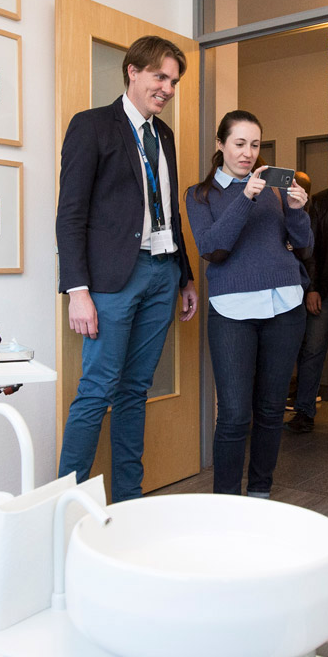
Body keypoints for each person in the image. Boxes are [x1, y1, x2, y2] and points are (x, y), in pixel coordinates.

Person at [56, 36, 199, 501]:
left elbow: (170, 211)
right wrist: (77, 290)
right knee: (97, 390)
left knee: (135, 389)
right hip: (113, 279)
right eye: (160, 77)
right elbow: (70, 214)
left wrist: (185, 275)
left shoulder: (165, 135)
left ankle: (128, 500)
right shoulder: (92, 126)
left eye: (173, 81)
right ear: (133, 71)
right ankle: (65, 508)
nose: (168, 89)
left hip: (163, 273)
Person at [186, 112, 311, 498]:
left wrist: (296, 209)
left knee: (272, 410)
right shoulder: (200, 195)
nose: (248, 153)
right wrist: (244, 198)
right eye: (239, 144)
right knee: (235, 414)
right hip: (232, 312)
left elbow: (304, 245)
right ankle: (225, 502)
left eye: (255, 145)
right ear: (220, 144)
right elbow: (213, 248)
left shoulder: (275, 190)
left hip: (285, 306)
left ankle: (260, 494)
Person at [287, 144, 328, 434]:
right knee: (312, 349)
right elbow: (309, 247)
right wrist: (311, 288)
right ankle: (304, 412)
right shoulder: (321, 201)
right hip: (326, 287)